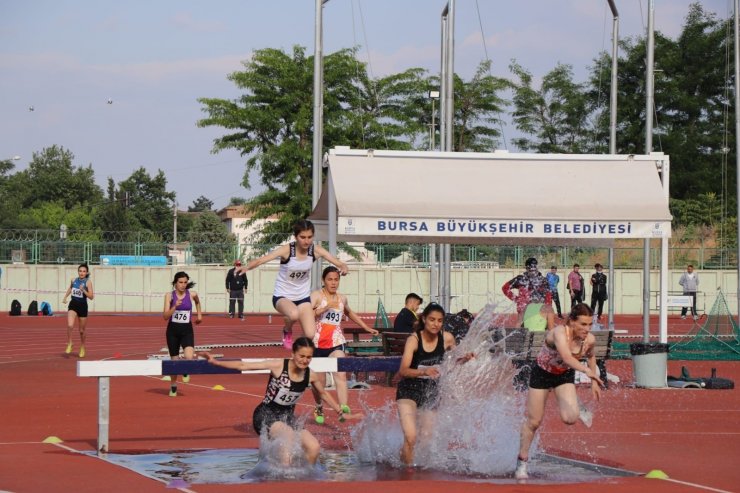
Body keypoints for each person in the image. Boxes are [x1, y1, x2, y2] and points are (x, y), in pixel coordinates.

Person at [200, 337, 361, 467]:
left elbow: (324, 393)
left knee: (314, 447)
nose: (304, 360)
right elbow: (245, 365)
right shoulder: (278, 365)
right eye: (301, 356)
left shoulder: (310, 375)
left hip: (286, 417)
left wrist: (339, 410)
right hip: (265, 414)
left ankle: (306, 475)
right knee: (289, 436)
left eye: (309, 357)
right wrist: (217, 362)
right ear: (293, 354)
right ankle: (285, 477)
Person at [514, 303, 604, 480]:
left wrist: (594, 380)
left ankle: (573, 401)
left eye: (590, 325)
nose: (587, 329)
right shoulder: (559, 333)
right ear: (571, 321)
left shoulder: (589, 339)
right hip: (542, 374)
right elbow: (566, 357)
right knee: (534, 421)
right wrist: (586, 371)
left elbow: (592, 355)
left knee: (570, 418)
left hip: (563, 376)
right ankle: (522, 461)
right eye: (583, 324)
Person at [236, 220, 348, 349]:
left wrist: (343, 267)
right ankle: (287, 330)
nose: (306, 241)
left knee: (311, 334)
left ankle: (299, 351)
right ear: (295, 237)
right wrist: (247, 267)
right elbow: (262, 259)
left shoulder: (315, 251)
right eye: (302, 237)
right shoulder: (287, 250)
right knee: (293, 314)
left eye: (309, 237)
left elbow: (338, 262)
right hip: (282, 296)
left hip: (302, 298)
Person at [396, 302, 473, 466]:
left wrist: (464, 359)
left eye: (439, 321)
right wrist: (424, 372)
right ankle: (406, 475)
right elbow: (403, 370)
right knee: (411, 436)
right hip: (409, 391)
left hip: (431, 391)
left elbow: (454, 361)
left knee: (425, 439)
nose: (435, 324)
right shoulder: (414, 340)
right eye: (432, 320)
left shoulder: (447, 338)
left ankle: (407, 462)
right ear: (424, 319)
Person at [309, 266, 379, 424]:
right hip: (317, 344)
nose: (333, 283)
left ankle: (343, 407)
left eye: (336, 279)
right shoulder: (316, 296)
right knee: (318, 383)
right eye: (330, 279)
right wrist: (323, 309)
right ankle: (319, 406)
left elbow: (349, 313)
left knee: (340, 372)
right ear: (323, 280)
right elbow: (306, 313)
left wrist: (366, 327)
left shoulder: (342, 298)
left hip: (336, 341)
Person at [163, 271, 202, 397]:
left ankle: (185, 369)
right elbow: (165, 316)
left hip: (187, 331)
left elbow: (197, 302)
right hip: (172, 332)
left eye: (185, 282)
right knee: (174, 361)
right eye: (180, 282)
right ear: (175, 283)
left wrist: (199, 315)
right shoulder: (169, 296)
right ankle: (173, 385)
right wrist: (174, 307)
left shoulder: (192, 294)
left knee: (189, 357)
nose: (183, 285)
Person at [501, 257, 552, 326]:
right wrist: (517, 299)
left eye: (533, 267)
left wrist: (547, 309)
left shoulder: (543, 280)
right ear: (527, 268)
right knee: (522, 326)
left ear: (536, 267)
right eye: (530, 268)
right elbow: (505, 288)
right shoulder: (520, 279)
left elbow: (548, 296)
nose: (532, 269)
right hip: (524, 310)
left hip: (538, 310)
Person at [62, 263, 94, 358]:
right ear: (78, 272)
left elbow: (91, 297)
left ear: (86, 272)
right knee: (70, 325)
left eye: (84, 271)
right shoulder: (73, 280)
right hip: (73, 305)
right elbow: (70, 288)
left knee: (81, 330)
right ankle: (70, 343)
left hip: (83, 306)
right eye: (80, 271)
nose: (82, 273)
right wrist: (65, 297)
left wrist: (83, 290)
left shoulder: (88, 282)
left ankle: (83, 346)